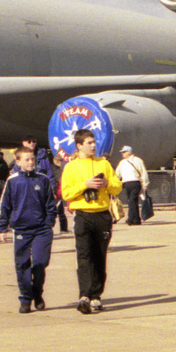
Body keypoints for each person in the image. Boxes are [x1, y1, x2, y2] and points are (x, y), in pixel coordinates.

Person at [60, 129, 121, 314]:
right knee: (84, 256)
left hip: (102, 215)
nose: (93, 145)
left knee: (99, 256)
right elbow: (66, 193)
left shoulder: (103, 163)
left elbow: (117, 186)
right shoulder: (70, 167)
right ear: (79, 146)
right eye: (89, 143)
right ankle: (84, 295)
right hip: (83, 215)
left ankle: (96, 296)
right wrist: (84, 185)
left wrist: (106, 185)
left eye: (94, 142)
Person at [0, 146, 56, 313]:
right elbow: (5, 206)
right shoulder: (12, 181)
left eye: (32, 159)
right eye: (27, 159)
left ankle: (37, 293)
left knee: (39, 263)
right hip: (21, 230)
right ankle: (25, 298)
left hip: (41, 230)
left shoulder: (42, 180)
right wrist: (2, 228)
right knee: (22, 265)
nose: (31, 162)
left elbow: (50, 204)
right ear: (18, 161)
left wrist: (49, 222)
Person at [114, 145, 149, 225]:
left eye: (124, 152)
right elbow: (117, 173)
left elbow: (143, 172)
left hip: (135, 182)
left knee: (132, 200)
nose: (122, 154)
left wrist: (145, 183)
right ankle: (136, 220)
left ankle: (130, 218)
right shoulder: (122, 162)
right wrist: (115, 182)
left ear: (129, 152)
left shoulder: (137, 160)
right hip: (126, 183)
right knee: (133, 201)